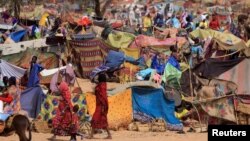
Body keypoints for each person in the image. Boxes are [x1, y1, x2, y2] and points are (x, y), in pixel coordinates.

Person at [89, 73, 111, 139]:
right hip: (99, 105)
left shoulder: (102, 86)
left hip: (101, 106)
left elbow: (103, 97)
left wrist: (103, 107)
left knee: (95, 119)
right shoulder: (101, 85)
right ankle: (109, 135)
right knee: (103, 120)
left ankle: (91, 135)